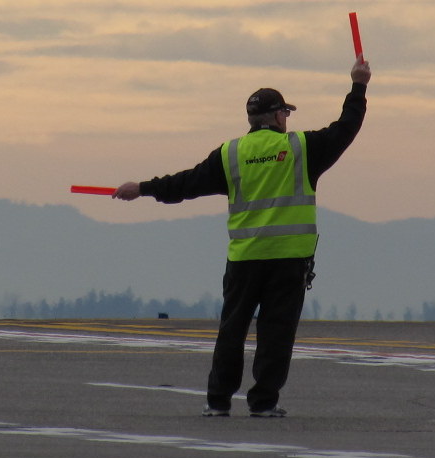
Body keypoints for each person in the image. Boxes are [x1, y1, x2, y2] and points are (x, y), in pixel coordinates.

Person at [114, 57, 371, 417]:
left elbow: (184, 183)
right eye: (286, 113)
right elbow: (346, 128)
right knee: (276, 333)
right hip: (288, 260)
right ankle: (263, 402)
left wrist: (142, 188)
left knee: (231, 331)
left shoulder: (230, 154)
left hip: (244, 260)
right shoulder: (301, 149)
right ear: (278, 116)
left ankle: (217, 401)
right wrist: (359, 85)